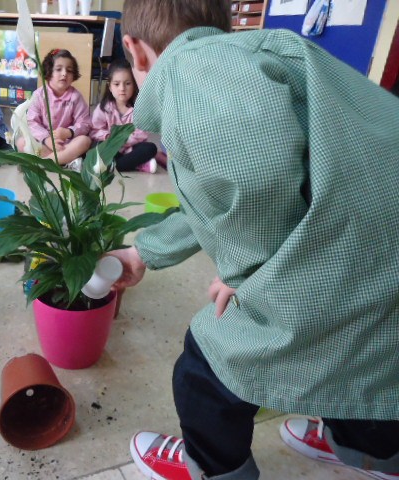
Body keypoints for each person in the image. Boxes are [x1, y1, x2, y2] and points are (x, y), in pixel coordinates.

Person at [108, 1, 399, 479]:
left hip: (352, 254)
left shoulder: (189, 68)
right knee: (367, 350)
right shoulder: (250, 55)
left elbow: (256, 175)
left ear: (135, 51)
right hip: (382, 248)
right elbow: (220, 195)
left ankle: (213, 468)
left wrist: (248, 272)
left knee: (210, 364)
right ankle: (372, 451)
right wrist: (144, 252)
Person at [20, 48, 91, 171]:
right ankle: (63, 161)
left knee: (85, 141)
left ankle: (43, 164)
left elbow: (85, 123)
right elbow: (32, 122)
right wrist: (47, 139)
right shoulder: (38, 95)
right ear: (48, 72)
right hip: (44, 143)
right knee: (21, 142)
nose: (64, 74)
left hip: (67, 144)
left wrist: (69, 132)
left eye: (69, 70)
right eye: (58, 69)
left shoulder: (76, 97)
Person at [90, 58, 157, 173]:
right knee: (95, 146)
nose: (122, 88)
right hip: (110, 147)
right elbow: (94, 130)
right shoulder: (103, 108)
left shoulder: (139, 109)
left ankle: (114, 166)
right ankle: (135, 164)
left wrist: (122, 140)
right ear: (110, 86)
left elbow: (141, 134)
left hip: (132, 148)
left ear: (134, 85)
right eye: (116, 84)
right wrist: (108, 137)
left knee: (150, 148)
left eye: (127, 83)